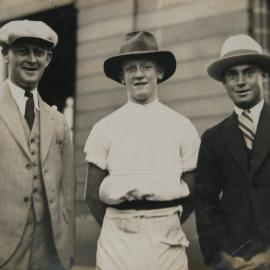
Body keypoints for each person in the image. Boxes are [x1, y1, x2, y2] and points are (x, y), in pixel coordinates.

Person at [84, 31, 200, 270]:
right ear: (121, 77)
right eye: (130, 68)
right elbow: (92, 195)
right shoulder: (104, 127)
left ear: (159, 72)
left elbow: (194, 188)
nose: (139, 74)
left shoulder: (181, 126)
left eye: (146, 66)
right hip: (117, 237)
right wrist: (119, 221)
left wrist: (164, 218)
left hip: (167, 237)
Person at [0, 20, 76, 270]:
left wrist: (68, 248)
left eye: (39, 52)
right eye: (23, 51)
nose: (32, 59)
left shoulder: (59, 122)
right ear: (5, 55)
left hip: (50, 250)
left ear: (49, 59)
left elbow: (67, 193)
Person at [195, 34, 270, 270]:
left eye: (248, 72)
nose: (240, 81)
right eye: (232, 75)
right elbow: (205, 203)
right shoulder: (213, 138)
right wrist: (222, 257)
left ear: (264, 76)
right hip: (232, 259)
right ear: (224, 83)